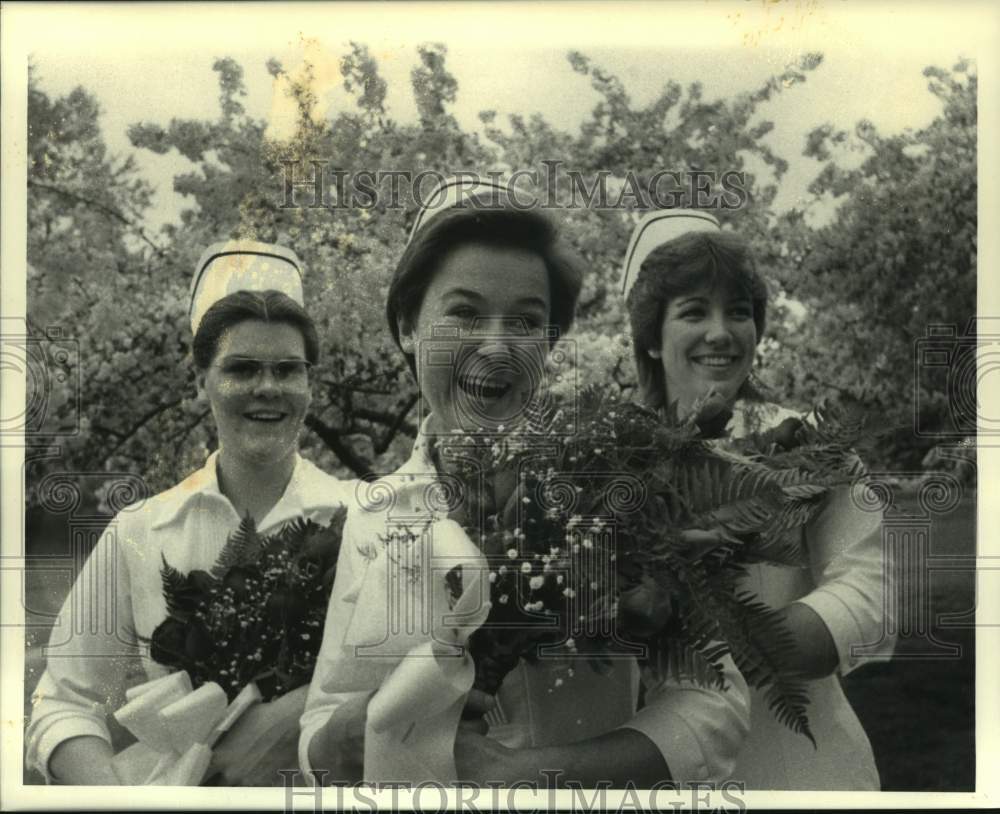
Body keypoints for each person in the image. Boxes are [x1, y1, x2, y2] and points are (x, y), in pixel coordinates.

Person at [300, 179, 751, 788]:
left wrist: (531, 775)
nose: (496, 348)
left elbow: (715, 707)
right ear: (408, 324)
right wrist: (341, 736)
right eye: (463, 313)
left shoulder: (618, 482)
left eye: (526, 322)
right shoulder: (373, 515)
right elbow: (320, 732)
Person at [25, 240, 351, 785]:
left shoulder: (362, 519)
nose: (267, 387)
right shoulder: (141, 530)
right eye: (241, 368)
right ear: (201, 382)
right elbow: (63, 701)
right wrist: (123, 800)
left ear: (309, 385)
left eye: (287, 369)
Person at [621, 209, 895, 790]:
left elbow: (869, 601)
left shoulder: (813, 446)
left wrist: (721, 646)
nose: (720, 333)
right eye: (693, 311)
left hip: (801, 773)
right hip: (648, 770)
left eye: (739, 312)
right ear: (650, 338)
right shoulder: (605, 462)